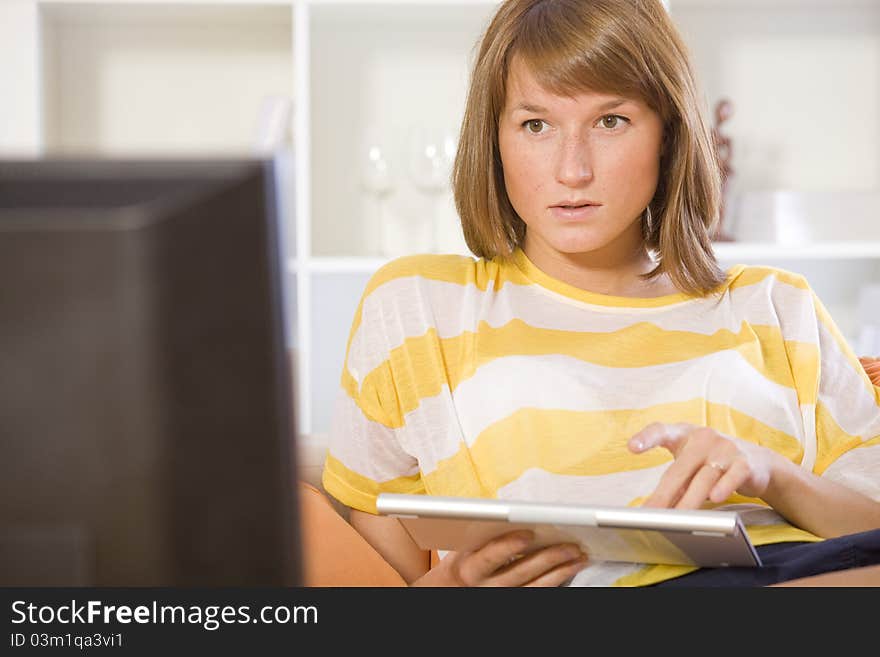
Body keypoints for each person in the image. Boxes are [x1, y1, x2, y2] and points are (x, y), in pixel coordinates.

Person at [322, 0, 880, 586]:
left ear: (669, 135)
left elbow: (870, 526)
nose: (573, 170)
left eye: (610, 121)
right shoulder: (417, 307)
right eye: (535, 124)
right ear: (494, 141)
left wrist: (771, 474)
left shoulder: (777, 305)